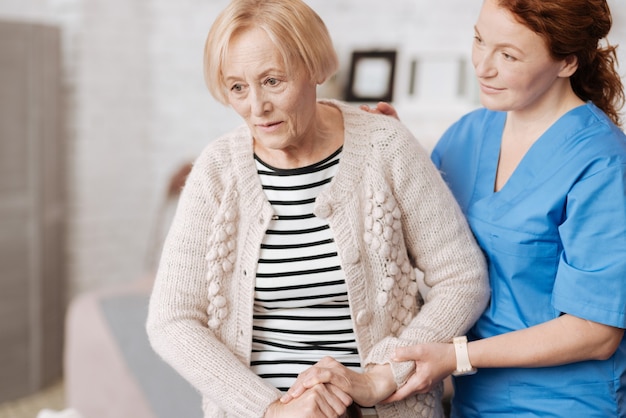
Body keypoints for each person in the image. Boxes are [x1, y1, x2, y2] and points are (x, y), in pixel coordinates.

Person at [145, 0, 489, 417]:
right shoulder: (217, 172)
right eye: (238, 87)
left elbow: (462, 278)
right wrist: (271, 409)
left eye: (272, 81)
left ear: (316, 69)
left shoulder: (386, 146)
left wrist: (386, 374)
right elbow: (172, 318)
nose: (257, 107)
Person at [336, 0, 626, 416]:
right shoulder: (467, 135)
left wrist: (457, 357)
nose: (483, 67)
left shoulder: (602, 163)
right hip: (475, 404)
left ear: (566, 62)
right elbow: (426, 239)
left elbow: (597, 332)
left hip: (566, 404)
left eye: (508, 55)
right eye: (479, 40)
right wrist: (396, 153)